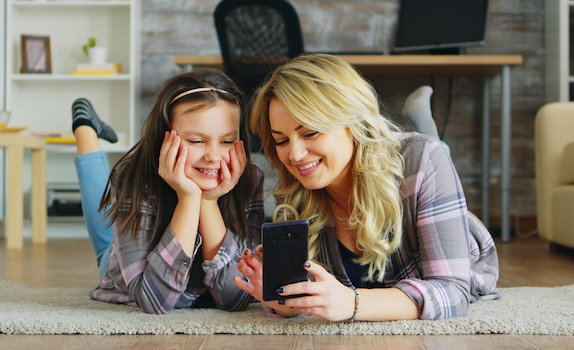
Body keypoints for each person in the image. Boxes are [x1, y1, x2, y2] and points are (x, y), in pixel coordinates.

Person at [234, 54, 499, 322]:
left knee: (433, 151)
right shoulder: (296, 191)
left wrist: (352, 303)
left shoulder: (423, 161)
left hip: (440, 221)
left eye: (310, 132)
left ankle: (426, 126)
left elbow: (453, 292)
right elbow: (314, 297)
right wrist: (285, 302)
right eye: (281, 140)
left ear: (353, 123)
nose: (295, 154)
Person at [71, 68, 265, 314]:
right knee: (105, 243)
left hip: (157, 249)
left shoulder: (249, 178)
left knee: (107, 234)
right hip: (125, 263)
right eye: (196, 141)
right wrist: (188, 198)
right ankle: (85, 128)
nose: (214, 156)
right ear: (165, 138)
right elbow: (154, 301)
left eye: (227, 141)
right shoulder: (135, 178)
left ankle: (86, 125)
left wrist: (208, 201)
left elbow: (236, 298)